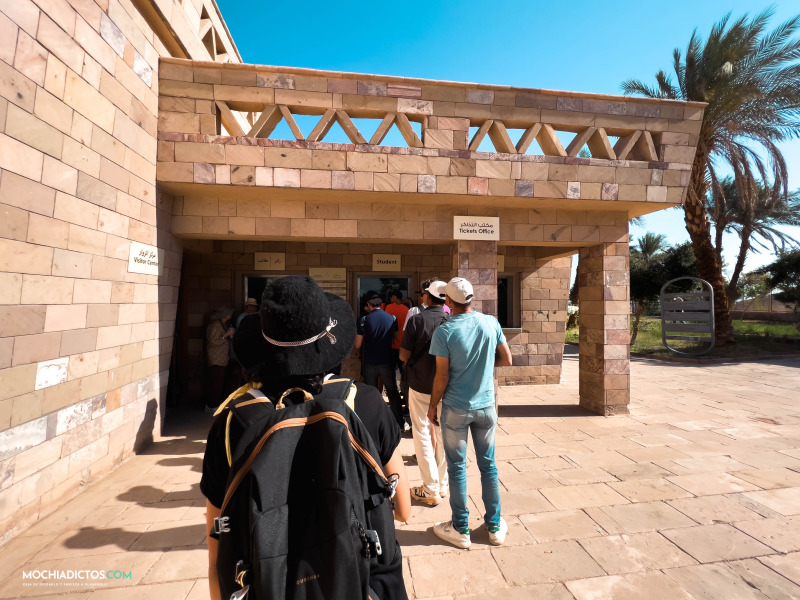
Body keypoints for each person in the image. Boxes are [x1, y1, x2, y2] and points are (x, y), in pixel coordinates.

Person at [202, 276, 410, 600]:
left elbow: (219, 546)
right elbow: (403, 508)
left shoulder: (231, 422)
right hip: (356, 582)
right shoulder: (365, 404)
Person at [427, 277, 512, 549]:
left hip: (455, 407)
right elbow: (507, 359)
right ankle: (495, 526)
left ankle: (460, 528)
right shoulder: (491, 322)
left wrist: (431, 405)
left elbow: (441, 376)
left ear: (448, 302)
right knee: (488, 466)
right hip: (486, 405)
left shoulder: (445, 331)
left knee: (457, 468)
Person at [399, 280, 449, 506]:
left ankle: (430, 487)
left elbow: (403, 355)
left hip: (420, 384)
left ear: (428, 297)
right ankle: (442, 484)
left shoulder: (417, 320)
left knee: (421, 432)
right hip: (445, 386)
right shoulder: (451, 321)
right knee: (442, 435)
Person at [355, 293, 407, 431]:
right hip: (386, 361)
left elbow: (358, 345)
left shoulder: (363, 320)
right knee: (393, 392)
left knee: (371, 393)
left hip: (370, 361)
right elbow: (395, 336)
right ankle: (399, 423)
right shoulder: (391, 318)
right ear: (380, 305)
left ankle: (371, 425)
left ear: (369, 306)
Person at [385, 290, 409, 417]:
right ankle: (406, 402)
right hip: (404, 347)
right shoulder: (407, 310)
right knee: (405, 376)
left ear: (395, 297)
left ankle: (393, 403)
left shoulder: (388, 308)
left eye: (391, 296)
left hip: (391, 346)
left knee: (390, 376)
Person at [205, 306, 234, 413]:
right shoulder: (215, 325)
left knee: (219, 383)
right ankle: (211, 405)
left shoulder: (222, 324)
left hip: (222, 358)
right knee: (215, 383)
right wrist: (227, 335)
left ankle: (215, 403)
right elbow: (213, 341)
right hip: (216, 359)